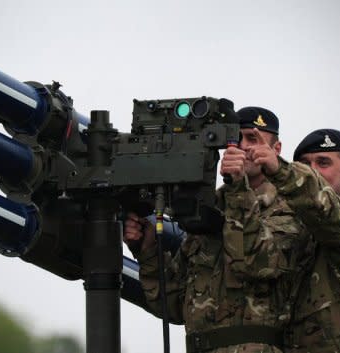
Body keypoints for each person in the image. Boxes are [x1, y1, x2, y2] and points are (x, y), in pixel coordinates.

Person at [124, 107, 314, 353]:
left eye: (253, 139)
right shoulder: (209, 210)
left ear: (276, 150)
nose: (243, 147)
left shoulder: (289, 208)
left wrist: (237, 189)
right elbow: (173, 306)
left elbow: (253, 262)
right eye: (236, 138)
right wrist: (148, 252)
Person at [249, 128, 340, 352]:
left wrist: (282, 171)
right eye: (304, 164)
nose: (312, 171)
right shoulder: (289, 230)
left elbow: (324, 208)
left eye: (323, 163)